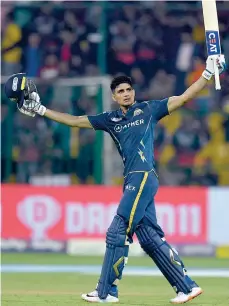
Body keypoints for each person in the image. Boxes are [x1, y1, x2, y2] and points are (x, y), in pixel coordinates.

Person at [4, 55, 226, 304]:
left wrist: (207, 73)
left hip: (143, 176)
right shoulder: (110, 120)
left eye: (129, 90)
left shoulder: (149, 109)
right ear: (114, 96)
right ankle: (187, 287)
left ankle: (106, 291)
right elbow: (75, 121)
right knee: (150, 238)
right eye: (121, 91)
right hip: (133, 179)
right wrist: (42, 110)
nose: (126, 94)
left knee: (118, 230)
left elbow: (184, 97)